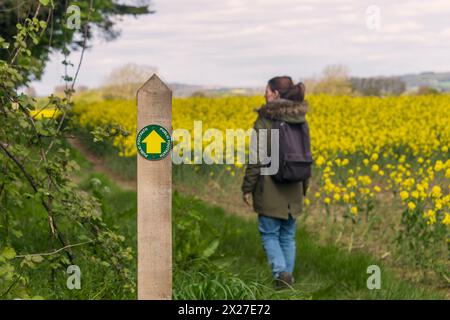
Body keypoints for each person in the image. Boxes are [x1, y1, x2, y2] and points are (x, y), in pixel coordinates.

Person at [241, 76, 309, 289]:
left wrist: (247, 188)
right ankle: (287, 281)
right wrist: (304, 187)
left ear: (276, 94)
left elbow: (256, 160)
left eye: (267, 91)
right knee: (288, 235)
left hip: (270, 188)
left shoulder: (264, 121)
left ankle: (281, 274)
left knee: (270, 234)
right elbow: (306, 155)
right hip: (295, 187)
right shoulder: (300, 119)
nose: (264, 94)